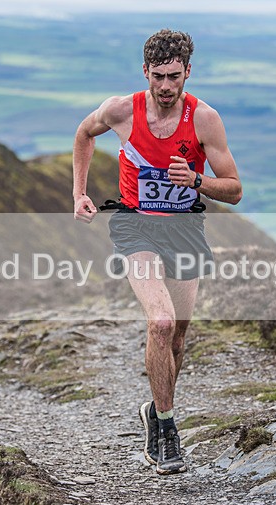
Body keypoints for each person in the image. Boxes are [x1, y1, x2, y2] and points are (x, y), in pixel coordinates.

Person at [72, 29, 242, 475]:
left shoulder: (204, 119)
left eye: (174, 77)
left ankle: (154, 409)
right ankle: (166, 430)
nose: (166, 86)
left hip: (184, 230)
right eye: (158, 76)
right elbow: (84, 133)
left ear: (188, 72)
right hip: (135, 226)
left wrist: (197, 181)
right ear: (145, 71)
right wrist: (79, 192)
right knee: (161, 322)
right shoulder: (121, 110)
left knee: (178, 339)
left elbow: (235, 189)